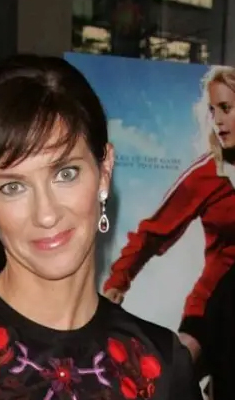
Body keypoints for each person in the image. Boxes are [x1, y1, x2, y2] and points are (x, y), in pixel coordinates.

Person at [0, 54, 201, 399]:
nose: (46, 214)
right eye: (13, 187)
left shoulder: (162, 363)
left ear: (104, 171)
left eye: (65, 173)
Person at [103, 65, 235, 364]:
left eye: (226, 108)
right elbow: (152, 233)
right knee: (176, 373)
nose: (218, 121)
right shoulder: (205, 175)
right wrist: (118, 281)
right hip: (212, 308)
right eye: (212, 111)